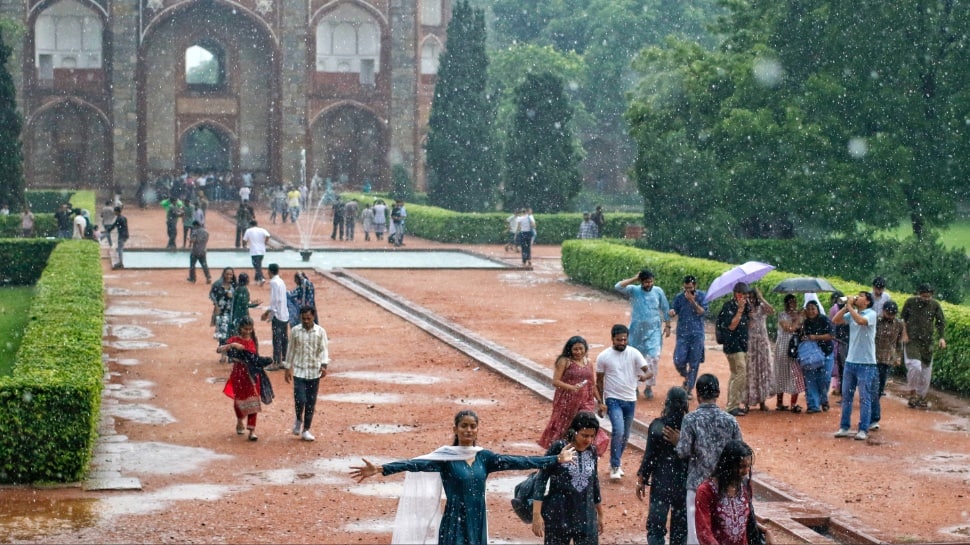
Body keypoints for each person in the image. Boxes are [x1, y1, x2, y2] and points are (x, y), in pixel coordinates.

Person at [349, 410, 576, 545]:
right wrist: (381, 469)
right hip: (454, 518)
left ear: (477, 430)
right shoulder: (446, 458)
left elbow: (519, 461)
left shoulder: (484, 458)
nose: (468, 430)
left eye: (472, 426)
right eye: (464, 426)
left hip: (477, 517)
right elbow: (415, 464)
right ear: (456, 429)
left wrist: (555, 459)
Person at [673, 373, 743, 545]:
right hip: (724, 487)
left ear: (698, 395)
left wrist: (678, 441)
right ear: (718, 393)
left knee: (696, 537)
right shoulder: (730, 420)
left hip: (697, 485)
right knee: (723, 534)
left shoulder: (690, 420)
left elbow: (683, 452)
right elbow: (740, 452)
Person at [532, 412, 604, 545]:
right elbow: (541, 479)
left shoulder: (592, 451)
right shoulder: (559, 448)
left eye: (591, 436)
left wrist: (600, 515)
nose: (588, 440)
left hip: (586, 517)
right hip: (558, 515)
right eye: (584, 435)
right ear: (574, 432)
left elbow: (594, 483)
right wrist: (536, 514)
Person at [596, 324, 651, 480]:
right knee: (618, 431)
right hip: (613, 399)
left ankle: (616, 462)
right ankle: (615, 465)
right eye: (619, 340)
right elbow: (599, 381)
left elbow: (649, 371)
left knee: (625, 435)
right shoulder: (603, 357)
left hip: (630, 399)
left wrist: (644, 377)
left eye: (624, 339)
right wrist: (600, 402)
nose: (622, 342)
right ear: (612, 338)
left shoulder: (634, 353)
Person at [538, 336, 608, 456]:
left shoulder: (589, 362)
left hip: (586, 400)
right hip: (566, 402)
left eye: (581, 349)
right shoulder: (564, 361)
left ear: (585, 349)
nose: (578, 352)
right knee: (565, 428)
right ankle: (558, 454)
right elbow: (555, 381)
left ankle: (585, 453)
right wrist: (571, 388)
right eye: (575, 349)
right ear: (570, 349)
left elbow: (592, 384)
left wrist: (600, 401)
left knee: (587, 423)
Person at [637, 387, 690, 545]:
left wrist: (642, 478)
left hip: (661, 483)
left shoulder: (657, 426)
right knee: (680, 530)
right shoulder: (690, 429)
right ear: (685, 405)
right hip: (683, 483)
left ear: (667, 402)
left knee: (655, 528)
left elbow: (649, 456)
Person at [614, 269, 671, 400]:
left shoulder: (658, 291)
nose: (648, 284)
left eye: (650, 281)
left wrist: (668, 325)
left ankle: (649, 387)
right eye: (645, 282)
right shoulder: (634, 290)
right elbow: (618, 286)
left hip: (654, 331)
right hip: (636, 331)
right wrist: (634, 278)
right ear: (641, 282)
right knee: (635, 359)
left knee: (654, 358)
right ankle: (634, 386)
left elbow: (665, 308)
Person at [694, 440, 760, 545]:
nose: (746, 471)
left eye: (748, 466)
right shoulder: (706, 491)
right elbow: (704, 531)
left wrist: (765, 531)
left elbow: (748, 522)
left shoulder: (746, 487)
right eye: (741, 467)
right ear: (728, 466)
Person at [217, 316, 272, 442]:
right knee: (239, 401)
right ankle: (239, 420)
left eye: (249, 329)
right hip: (239, 375)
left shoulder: (253, 340)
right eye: (245, 328)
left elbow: (254, 358)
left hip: (252, 376)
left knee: (254, 401)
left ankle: (252, 430)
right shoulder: (234, 340)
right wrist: (232, 345)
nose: (247, 331)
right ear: (240, 328)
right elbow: (218, 349)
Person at [833, 291, 877, 440]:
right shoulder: (852, 312)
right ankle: (844, 427)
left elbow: (861, 321)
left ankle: (863, 429)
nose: (858, 297)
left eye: (861, 296)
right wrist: (846, 307)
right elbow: (836, 320)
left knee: (864, 397)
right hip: (851, 361)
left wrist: (850, 307)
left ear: (868, 301)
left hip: (867, 363)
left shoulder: (871, 314)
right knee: (847, 397)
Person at [284, 306, 329, 442]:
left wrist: (324, 364)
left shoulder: (320, 332)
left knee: (310, 402)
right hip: (299, 371)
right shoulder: (296, 331)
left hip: (314, 372)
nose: (306, 321)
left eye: (308, 318)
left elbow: (324, 349)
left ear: (313, 317)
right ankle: (298, 419)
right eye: (303, 319)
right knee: (300, 399)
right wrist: (287, 367)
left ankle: (306, 429)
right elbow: (290, 349)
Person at [901, 284, 946, 409]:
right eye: (924, 296)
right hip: (912, 340)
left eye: (928, 296)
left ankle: (920, 397)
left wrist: (941, 337)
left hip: (927, 342)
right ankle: (912, 393)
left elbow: (940, 322)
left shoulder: (935, 305)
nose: (926, 299)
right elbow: (902, 319)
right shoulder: (910, 302)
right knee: (915, 366)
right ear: (919, 294)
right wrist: (904, 334)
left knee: (926, 372)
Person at [668, 275, 709, 399]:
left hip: (697, 334)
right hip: (682, 334)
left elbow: (702, 312)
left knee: (694, 362)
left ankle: (689, 387)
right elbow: (674, 309)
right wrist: (672, 312)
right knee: (678, 359)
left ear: (695, 286)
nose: (687, 291)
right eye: (685, 288)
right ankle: (686, 376)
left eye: (690, 288)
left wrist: (692, 301)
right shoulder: (679, 297)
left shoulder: (702, 296)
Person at [716, 282, 751, 417]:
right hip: (732, 345)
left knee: (736, 374)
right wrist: (740, 310)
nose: (746, 298)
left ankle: (732, 403)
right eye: (744, 295)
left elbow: (747, 323)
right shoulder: (728, 307)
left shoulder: (746, 306)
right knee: (741, 372)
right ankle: (732, 406)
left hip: (743, 344)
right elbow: (731, 326)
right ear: (738, 294)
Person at [871, 300, 903, 428]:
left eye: (892, 314)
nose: (890, 316)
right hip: (873, 358)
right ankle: (874, 417)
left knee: (879, 389)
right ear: (883, 311)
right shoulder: (876, 321)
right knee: (873, 388)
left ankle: (873, 414)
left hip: (887, 359)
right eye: (888, 313)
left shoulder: (898, 324)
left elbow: (899, 342)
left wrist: (898, 356)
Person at [744, 287, 775, 412]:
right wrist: (748, 317)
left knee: (762, 370)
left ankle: (762, 401)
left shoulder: (761, 307)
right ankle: (746, 402)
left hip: (762, 343)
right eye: (749, 297)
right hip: (750, 343)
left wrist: (762, 298)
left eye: (753, 296)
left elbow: (772, 311)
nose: (751, 299)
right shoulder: (744, 309)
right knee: (749, 371)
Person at [772, 294, 804, 413]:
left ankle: (793, 403)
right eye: (790, 302)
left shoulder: (799, 314)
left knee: (795, 374)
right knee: (781, 373)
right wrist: (798, 319)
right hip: (783, 347)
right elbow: (789, 328)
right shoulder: (782, 315)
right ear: (785, 304)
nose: (792, 305)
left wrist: (799, 317)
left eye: (794, 302)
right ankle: (779, 403)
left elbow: (800, 329)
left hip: (795, 347)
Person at [801, 301, 834, 413]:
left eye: (813, 308)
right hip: (810, 356)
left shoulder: (824, 320)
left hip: (826, 353)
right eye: (808, 308)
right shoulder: (804, 323)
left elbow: (831, 335)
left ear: (817, 309)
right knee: (810, 380)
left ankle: (823, 399)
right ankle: (813, 405)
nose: (811, 311)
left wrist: (815, 337)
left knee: (825, 378)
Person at [261, 263, 289, 371]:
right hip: (284, 314)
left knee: (276, 338)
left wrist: (269, 313)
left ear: (270, 271)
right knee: (284, 338)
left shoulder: (273, 282)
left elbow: (274, 301)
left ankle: (276, 362)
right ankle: (284, 360)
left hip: (277, 314)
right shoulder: (281, 281)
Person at [209, 267, 237, 358]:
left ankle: (229, 353)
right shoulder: (218, 284)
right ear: (223, 274)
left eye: (231, 274)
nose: (229, 276)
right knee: (222, 333)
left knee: (230, 332)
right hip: (221, 311)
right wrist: (216, 305)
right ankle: (223, 354)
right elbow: (211, 294)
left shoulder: (234, 285)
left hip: (231, 312)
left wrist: (232, 296)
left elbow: (237, 297)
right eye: (227, 274)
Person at [828, 291, 849, 396]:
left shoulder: (834, 309)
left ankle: (839, 388)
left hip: (837, 338)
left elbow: (832, 322)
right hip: (842, 339)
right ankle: (841, 388)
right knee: (841, 364)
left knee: (839, 364)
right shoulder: (845, 308)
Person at [241, 220, 271, 285]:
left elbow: (244, 240)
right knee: (258, 264)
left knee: (256, 265)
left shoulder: (248, 231)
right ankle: (257, 277)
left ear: (250, 225)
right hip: (262, 250)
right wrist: (265, 242)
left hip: (254, 251)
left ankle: (261, 278)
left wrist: (244, 246)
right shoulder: (262, 230)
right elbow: (268, 235)